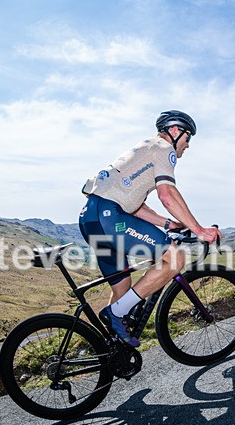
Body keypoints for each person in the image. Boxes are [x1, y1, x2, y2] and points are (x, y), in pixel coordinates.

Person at [79, 110, 221, 347]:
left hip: (91, 219)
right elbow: (167, 194)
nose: (188, 145)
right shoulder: (164, 149)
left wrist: (169, 223)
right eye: (188, 138)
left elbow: (133, 206)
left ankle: (111, 348)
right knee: (175, 258)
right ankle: (113, 315)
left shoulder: (144, 151)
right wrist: (199, 230)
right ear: (175, 131)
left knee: (123, 293)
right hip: (109, 219)